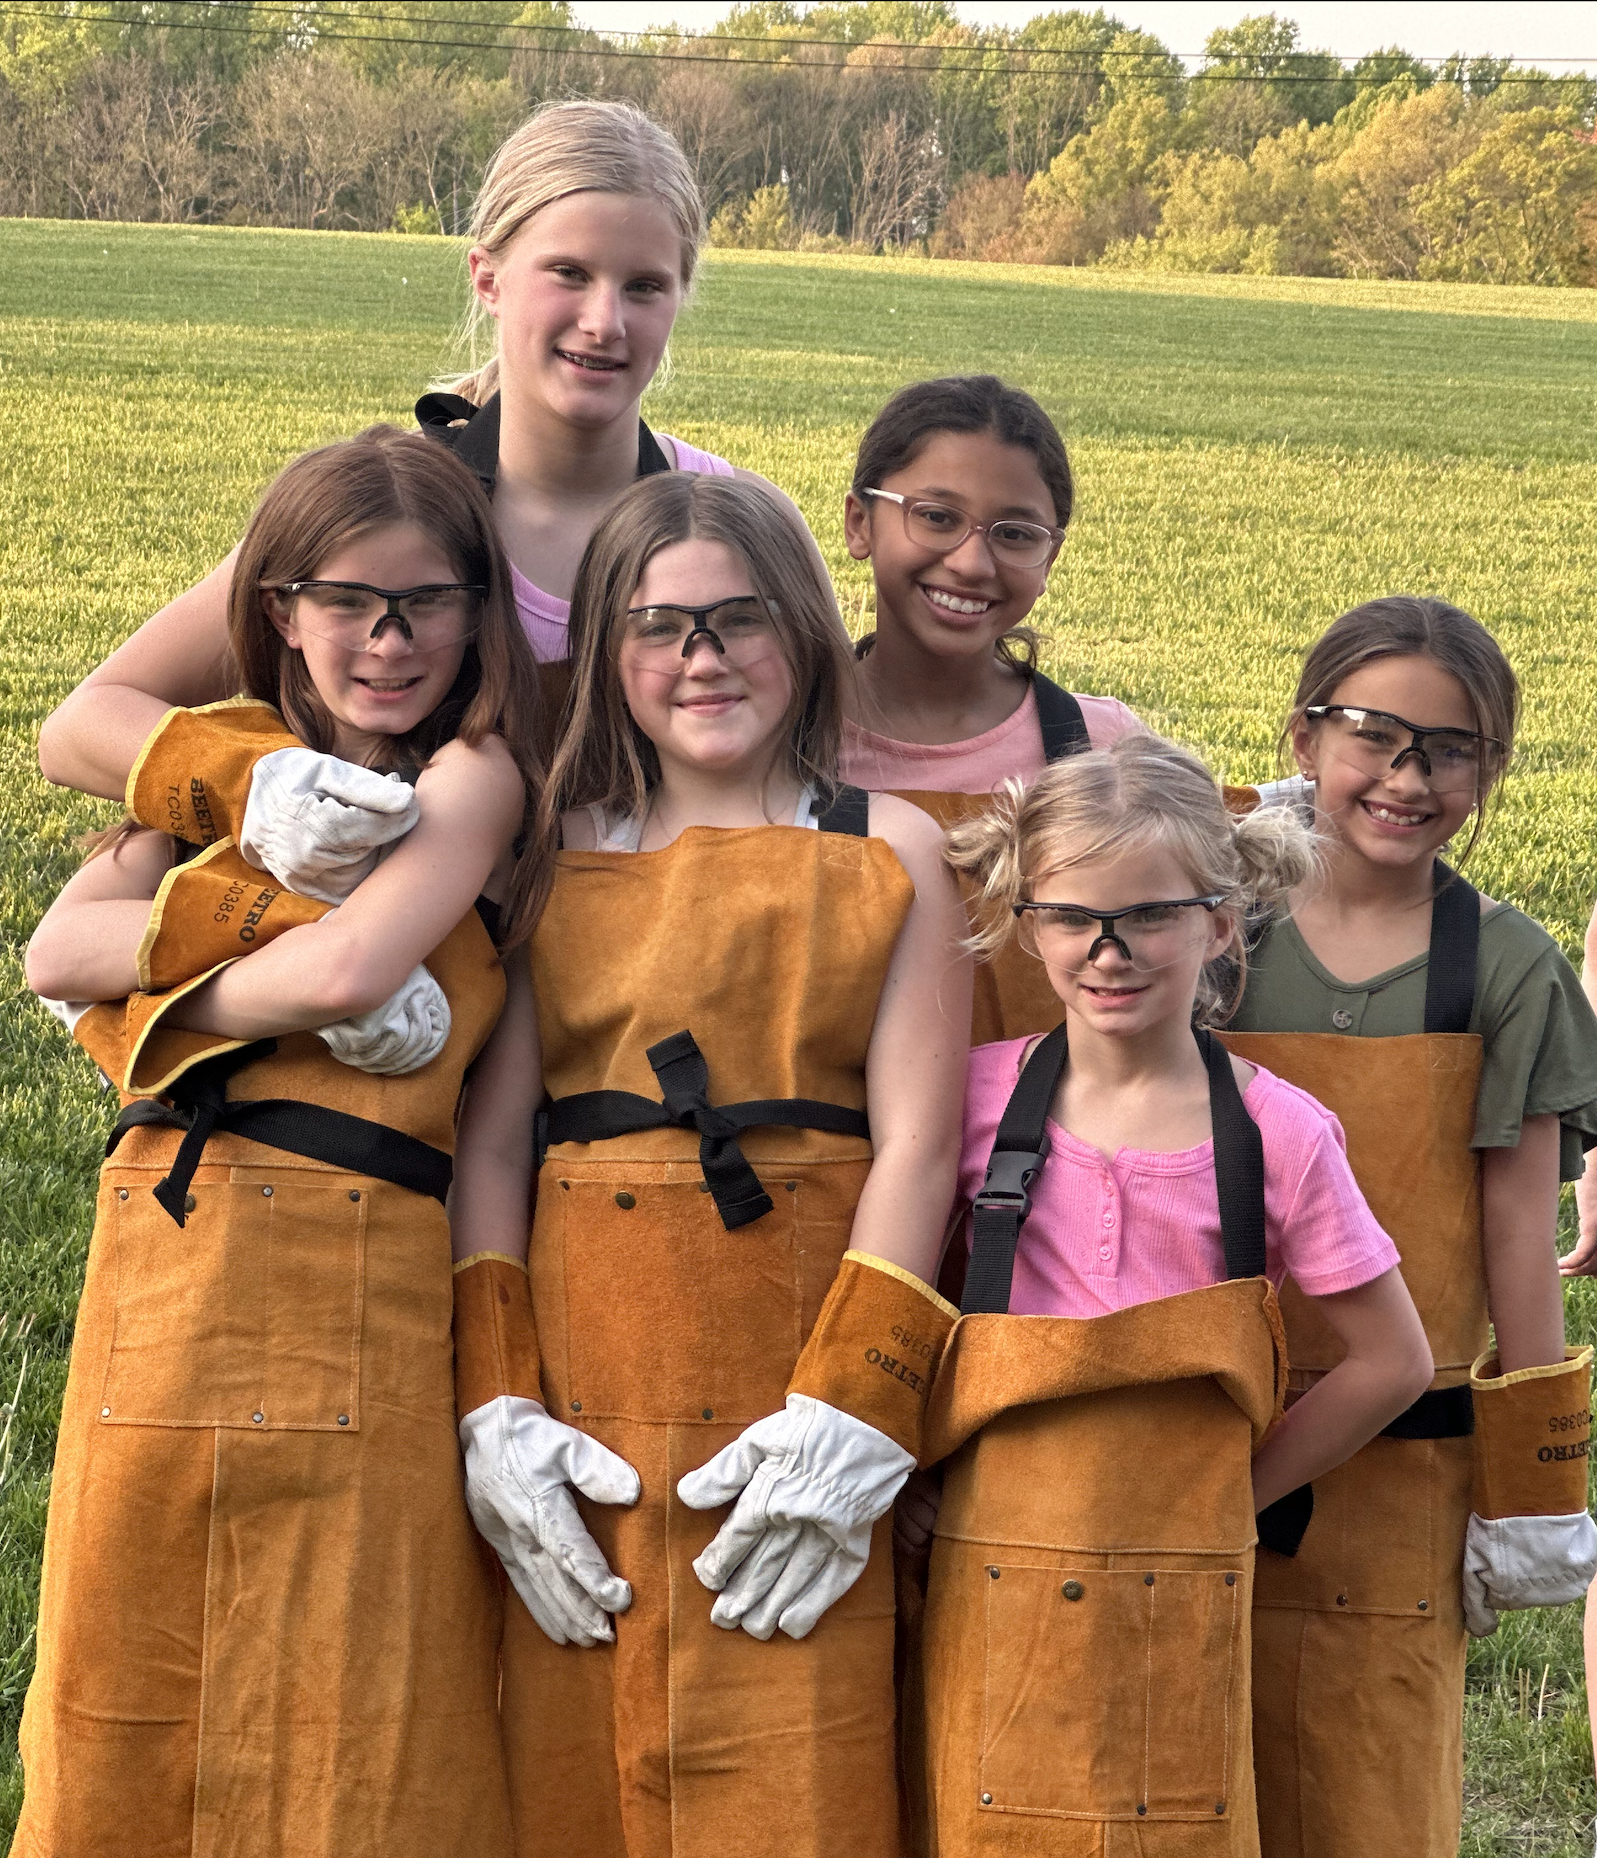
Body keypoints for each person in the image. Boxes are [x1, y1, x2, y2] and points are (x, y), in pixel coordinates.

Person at [13, 429, 544, 1858]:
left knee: (355, 1709)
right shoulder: (235, 769)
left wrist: (190, 968)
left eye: (426, 603)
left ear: (478, 612)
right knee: (127, 1671)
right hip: (165, 1265)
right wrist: (271, 907)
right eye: (347, 603)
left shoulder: (474, 774)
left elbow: (341, 979)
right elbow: (54, 952)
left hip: (354, 1271)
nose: (387, 640)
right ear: (280, 613)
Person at [444, 469, 972, 1857]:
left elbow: (921, 1143)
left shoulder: (889, 848)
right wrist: (496, 1396)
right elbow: (495, 1137)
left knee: (799, 1748)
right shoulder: (544, 854)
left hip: (794, 1362)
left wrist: (856, 1403)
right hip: (582, 1364)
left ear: (800, 631)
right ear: (609, 647)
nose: (701, 657)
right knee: (572, 1751)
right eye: (660, 626)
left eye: (738, 620)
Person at [895, 732, 1431, 1853]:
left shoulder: (1276, 1132)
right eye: (1071, 916)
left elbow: (1393, 1359)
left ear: (1220, 922)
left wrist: (1234, 1487)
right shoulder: (972, 1105)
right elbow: (898, 1307)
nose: (1108, 950)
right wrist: (910, 1479)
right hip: (986, 1564)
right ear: (1025, 917)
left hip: (1184, 1574)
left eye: (1149, 915)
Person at [36, 98, 812, 807]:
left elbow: (830, 755)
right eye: (569, 273)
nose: (604, 320)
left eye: (644, 285)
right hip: (400, 954)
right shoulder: (378, 510)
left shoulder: (746, 524)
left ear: (682, 294)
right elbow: (80, 728)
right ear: (488, 277)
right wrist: (276, 794)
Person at [1223, 595, 1597, 1858]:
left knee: (1375, 1787)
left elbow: (1515, 1233)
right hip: (1212, 1425)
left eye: (1448, 750)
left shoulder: (1503, 965)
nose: (1403, 776)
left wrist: (1533, 1485)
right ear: (1302, 735)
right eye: (1369, 734)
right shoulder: (1215, 926)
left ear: (1488, 771)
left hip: (1404, 1472)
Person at [839, 375, 1145, 1044]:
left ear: (1052, 554)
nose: (973, 563)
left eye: (1014, 534)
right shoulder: (781, 741)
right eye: (937, 517)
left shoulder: (1099, 748)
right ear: (859, 522)